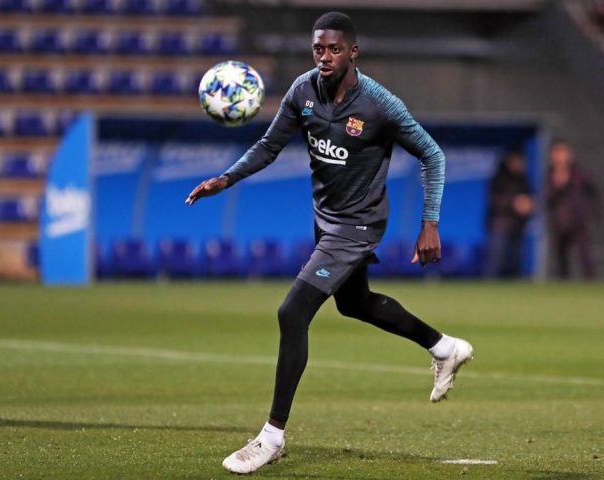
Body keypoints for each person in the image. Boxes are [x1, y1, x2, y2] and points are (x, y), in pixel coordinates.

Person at [185, 11, 473, 475]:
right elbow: (269, 145)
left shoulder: (379, 104)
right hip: (327, 221)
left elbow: (433, 155)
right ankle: (444, 347)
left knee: (292, 312)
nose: (324, 56)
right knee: (355, 303)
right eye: (318, 48)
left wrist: (430, 222)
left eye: (334, 49)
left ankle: (271, 437)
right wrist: (227, 178)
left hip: (359, 225)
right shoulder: (302, 91)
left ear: (353, 52)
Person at [546, 139, 599, 280]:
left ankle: (591, 282)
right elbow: (546, 198)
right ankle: (563, 283)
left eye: (563, 152)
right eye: (557, 152)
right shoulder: (549, 175)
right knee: (561, 256)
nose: (560, 156)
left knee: (584, 254)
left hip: (578, 219)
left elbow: (593, 192)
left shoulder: (579, 174)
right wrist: (558, 185)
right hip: (559, 221)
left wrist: (589, 211)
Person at [485, 151, 534, 279]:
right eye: (518, 161)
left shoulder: (523, 179)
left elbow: (529, 198)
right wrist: (514, 203)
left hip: (518, 226)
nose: (520, 164)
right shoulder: (499, 178)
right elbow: (494, 201)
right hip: (500, 225)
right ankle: (488, 288)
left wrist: (528, 204)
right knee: (496, 262)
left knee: (515, 263)